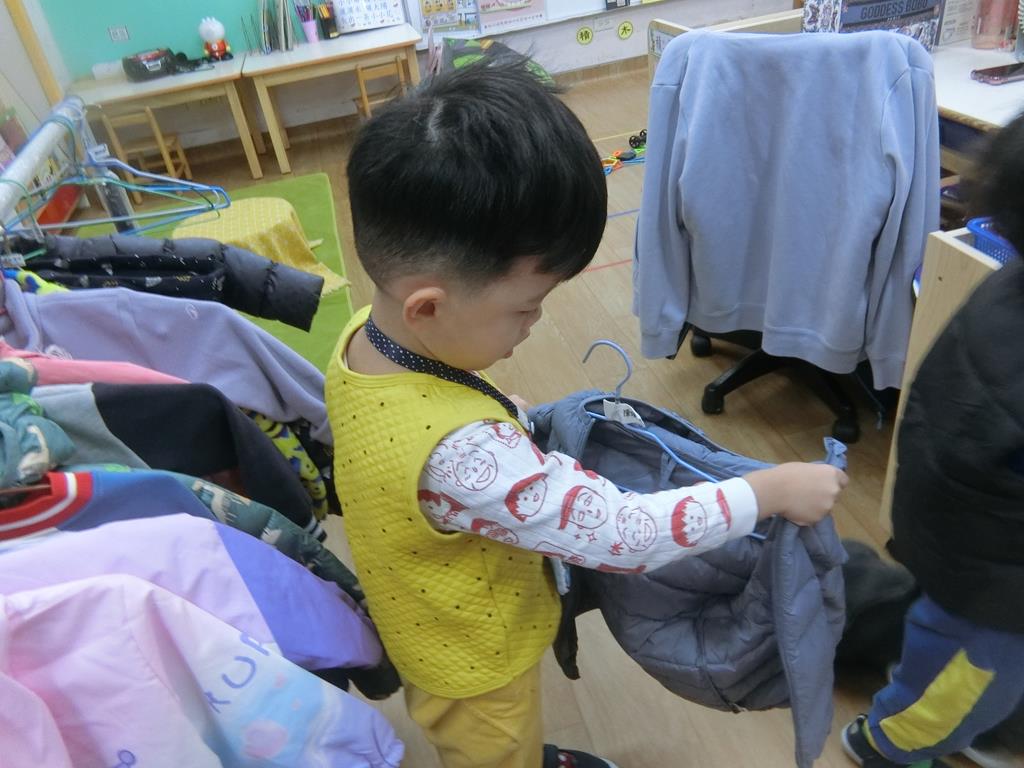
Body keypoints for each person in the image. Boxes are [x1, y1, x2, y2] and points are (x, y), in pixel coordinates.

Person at [327, 57, 848, 768]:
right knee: (495, 752)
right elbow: (627, 534)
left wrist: (500, 418)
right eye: (525, 308)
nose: (536, 322)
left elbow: (419, 427)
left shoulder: (366, 336)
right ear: (428, 307)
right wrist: (769, 491)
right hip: (477, 668)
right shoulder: (457, 454)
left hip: (425, 617)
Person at [841, 112, 1024, 768]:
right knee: (958, 683)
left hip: (957, 534)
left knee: (951, 645)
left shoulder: (1005, 285)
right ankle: (885, 743)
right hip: (988, 578)